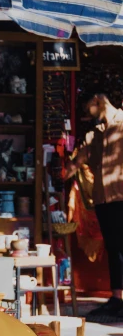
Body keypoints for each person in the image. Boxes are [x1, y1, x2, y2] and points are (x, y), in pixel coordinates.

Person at [66, 92, 123, 319]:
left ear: (97, 101)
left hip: (122, 197)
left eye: (88, 107)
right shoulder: (94, 135)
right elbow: (78, 162)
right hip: (103, 199)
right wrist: (62, 170)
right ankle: (117, 298)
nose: (86, 113)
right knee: (114, 249)